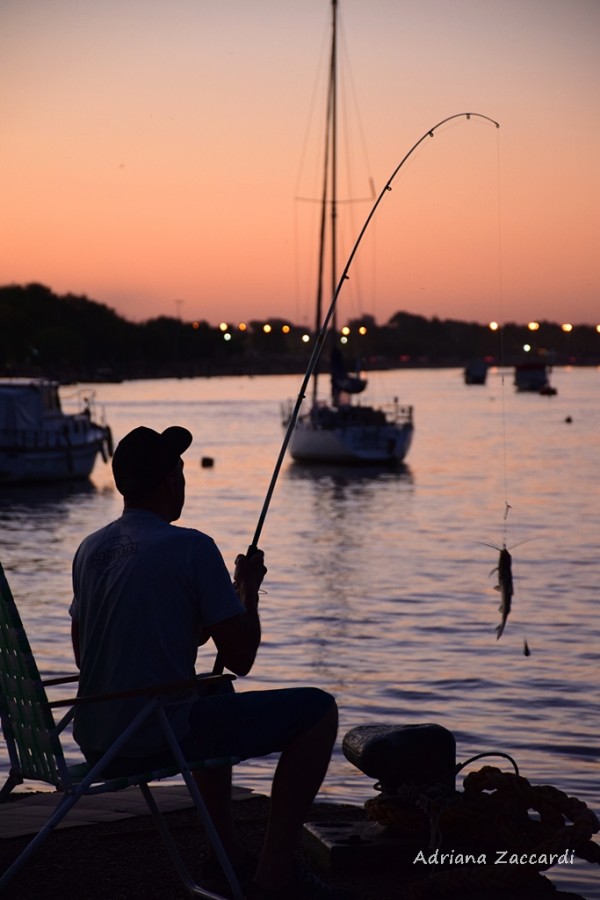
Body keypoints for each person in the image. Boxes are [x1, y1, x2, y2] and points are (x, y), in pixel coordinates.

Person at [69, 425, 341, 899]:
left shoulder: (90, 550)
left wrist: (217, 608)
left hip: (97, 737)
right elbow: (242, 658)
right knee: (318, 711)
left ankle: (227, 855)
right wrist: (248, 592)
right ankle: (274, 877)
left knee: (212, 688)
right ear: (171, 483)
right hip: (151, 735)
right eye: (179, 470)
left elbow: (94, 650)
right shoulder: (190, 546)